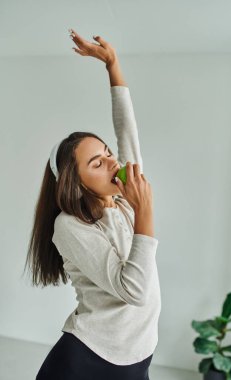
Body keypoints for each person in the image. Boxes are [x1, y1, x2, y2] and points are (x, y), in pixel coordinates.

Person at [24, 28, 161, 380]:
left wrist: (112, 65)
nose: (113, 163)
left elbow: (126, 132)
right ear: (76, 181)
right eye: (96, 163)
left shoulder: (124, 201)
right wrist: (146, 215)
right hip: (88, 359)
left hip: (138, 354)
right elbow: (135, 291)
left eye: (108, 154)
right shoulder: (69, 225)